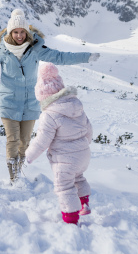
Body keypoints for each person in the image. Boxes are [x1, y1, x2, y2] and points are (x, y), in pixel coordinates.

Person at [0, 9, 100, 183]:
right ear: (10, 32)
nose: (19, 35)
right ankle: (13, 177)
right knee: (13, 139)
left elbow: (60, 57)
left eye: (22, 32)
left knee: (25, 142)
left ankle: (19, 171)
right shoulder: (2, 50)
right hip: (8, 101)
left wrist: (86, 56)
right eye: (16, 32)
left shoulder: (36, 49)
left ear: (27, 32)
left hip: (30, 103)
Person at [25, 62, 93, 225]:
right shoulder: (76, 106)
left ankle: (71, 219)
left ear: (43, 96)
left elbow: (42, 140)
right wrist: (84, 145)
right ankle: (84, 203)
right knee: (78, 177)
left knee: (64, 186)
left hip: (65, 159)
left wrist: (29, 155)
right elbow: (89, 129)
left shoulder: (49, 115)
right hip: (83, 155)